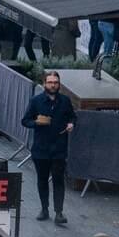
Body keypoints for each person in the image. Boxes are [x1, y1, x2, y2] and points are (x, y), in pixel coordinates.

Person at [19, 69, 75, 226]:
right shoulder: (36, 101)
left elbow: (72, 116)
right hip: (41, 149)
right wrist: (36, 122)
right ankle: (44, 209)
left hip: (59, 148)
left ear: (59, 84)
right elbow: (25, 120)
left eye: (55, 83)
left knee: (58, 180)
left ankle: (59, 212)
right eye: (50, 82)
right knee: (42, 180)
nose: (53, 85)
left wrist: (71, 124)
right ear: (44, 84)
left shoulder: (65, 101)